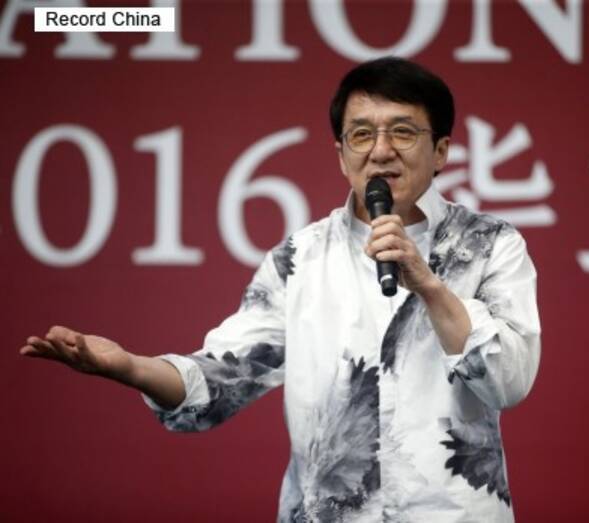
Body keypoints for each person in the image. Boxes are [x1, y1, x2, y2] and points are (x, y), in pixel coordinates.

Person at [21, 57, 541, 522]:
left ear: (441, 151)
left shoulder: (491, 245)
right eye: (361, 135)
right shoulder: (301, 259)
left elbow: (509, 381)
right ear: (341, 155)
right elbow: (221, 380)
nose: (381, 150)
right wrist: (131, 367)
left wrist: (428, 285)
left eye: (403, 132)